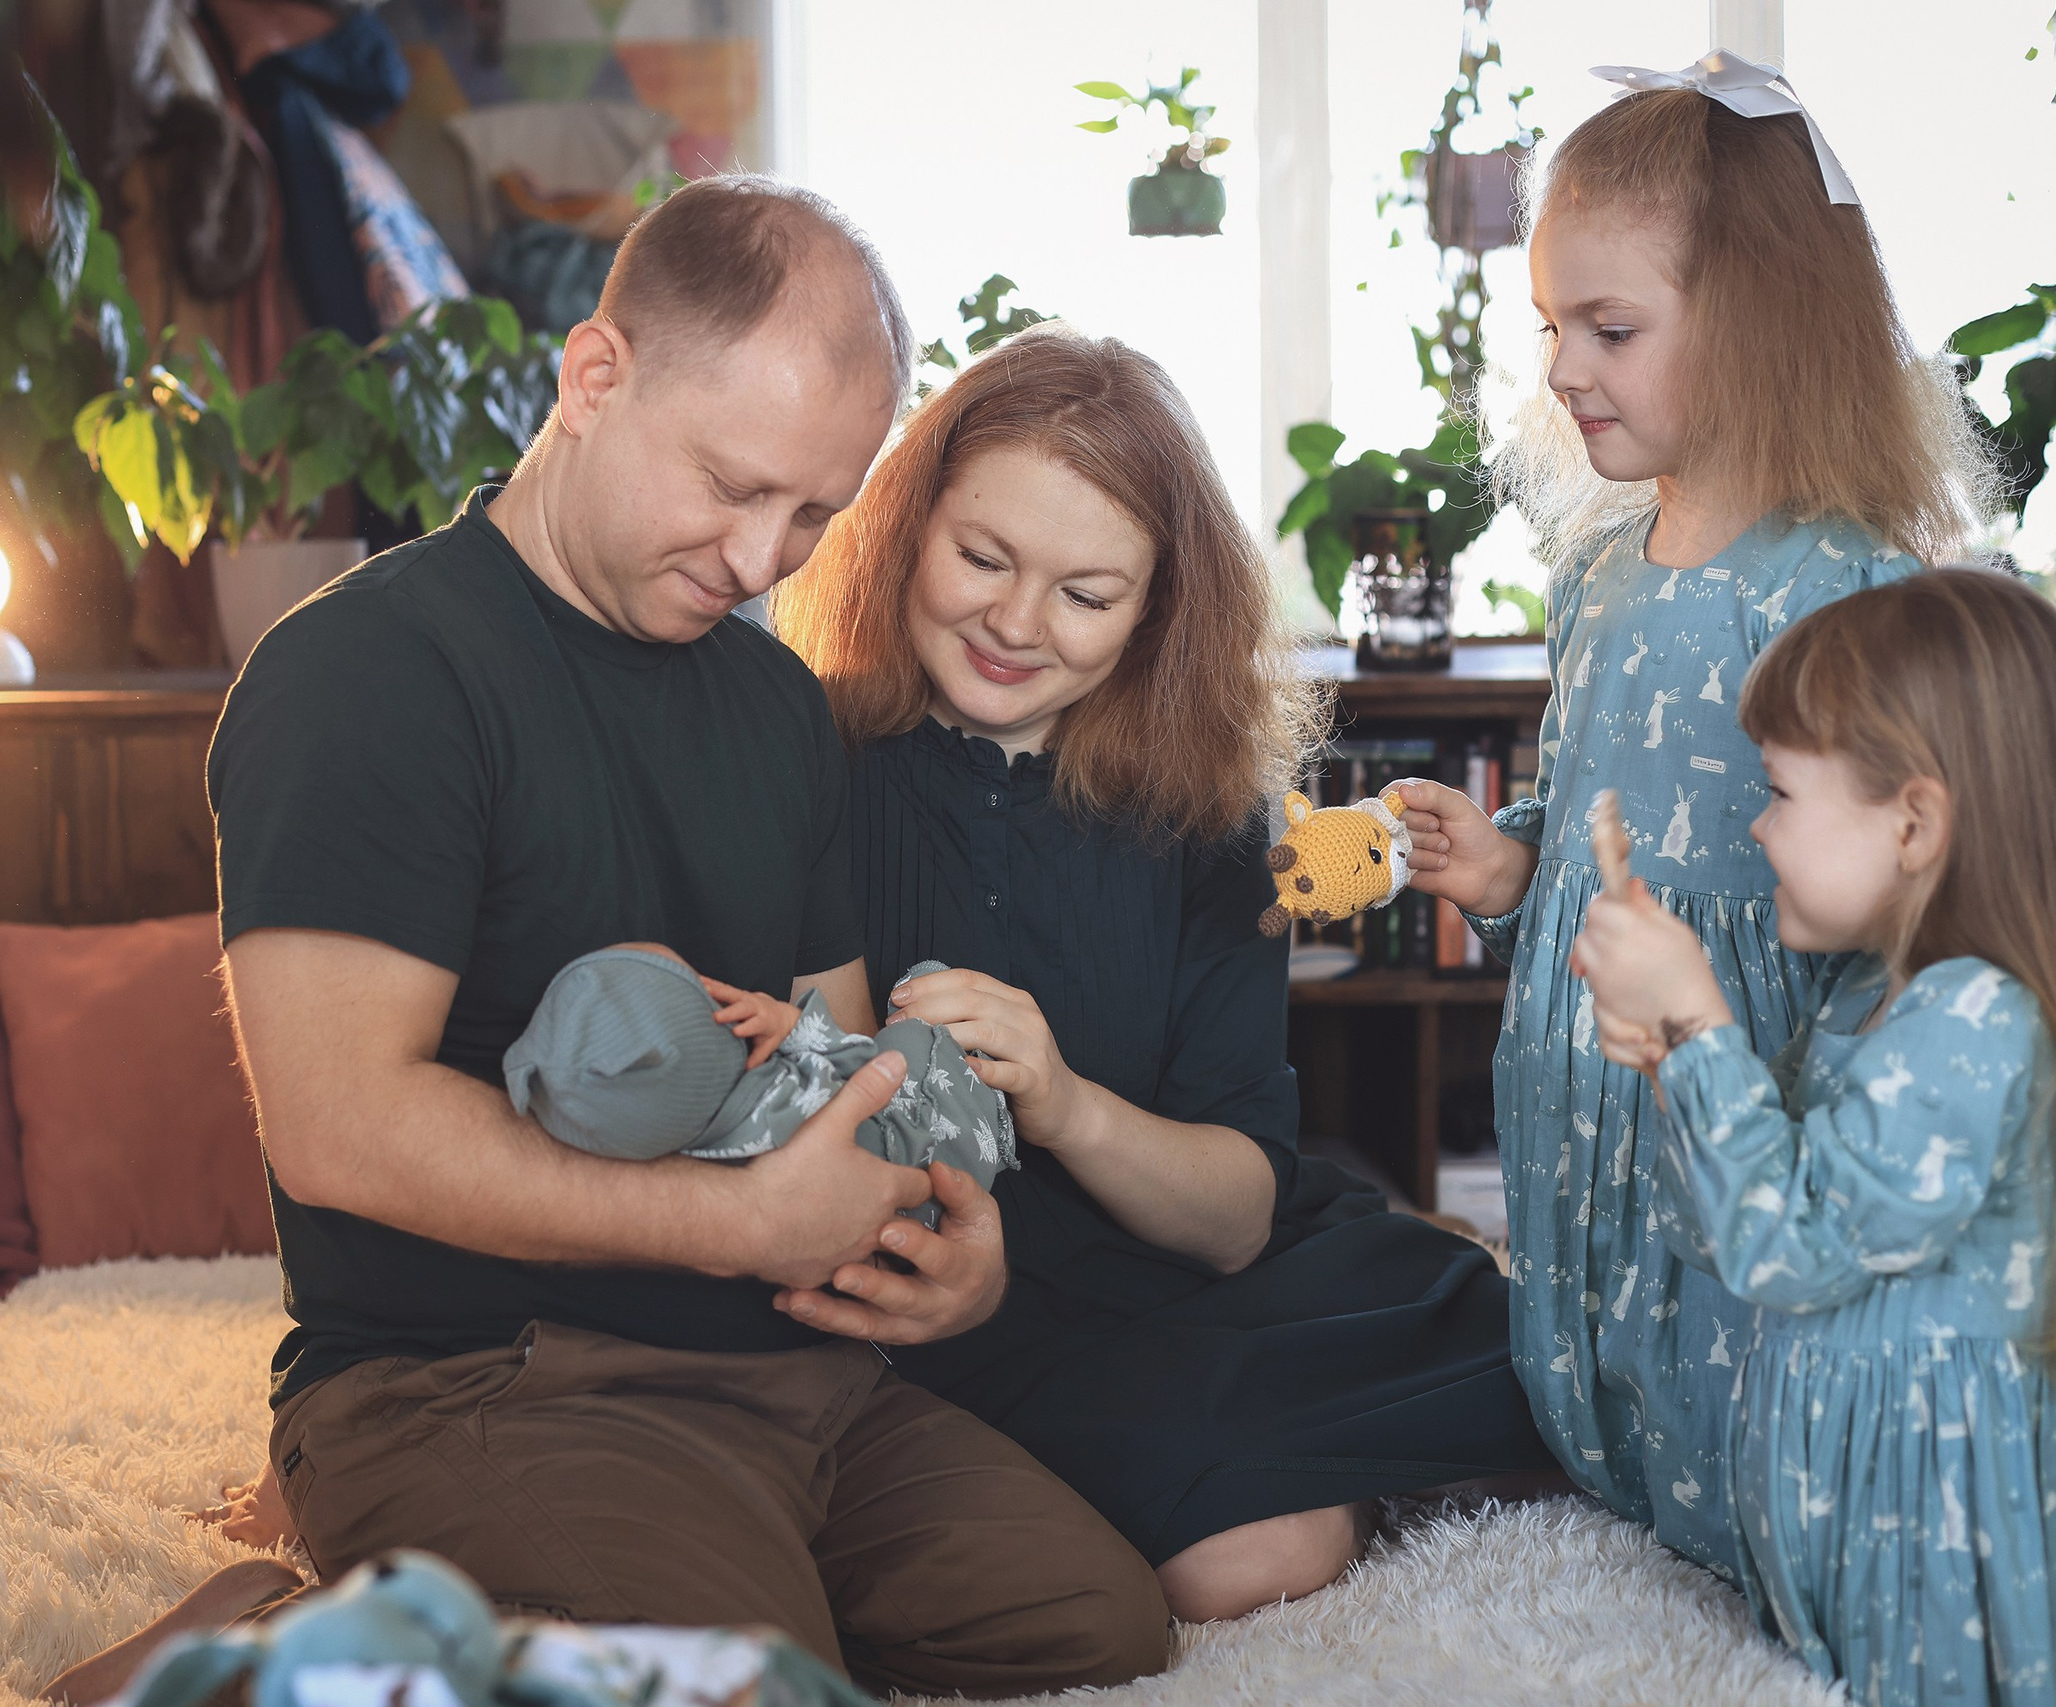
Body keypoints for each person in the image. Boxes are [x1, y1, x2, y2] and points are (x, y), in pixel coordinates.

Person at [195, 176, 1170, 1699]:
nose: (765, 554)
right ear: (596, 379)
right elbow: (338, 1125)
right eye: (731, 484)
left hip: (798, 1372)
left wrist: (937, 1243)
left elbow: (838, 1061)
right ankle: (287, 1636)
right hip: (480, 1379)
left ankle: (494, 1611)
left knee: (1097, 1627)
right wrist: (738, 1225)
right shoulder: (368, 672)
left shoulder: (775, 704)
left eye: (815, 513)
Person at [769, 324, 1557, 1625]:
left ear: (1156, 610)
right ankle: (1327, 1460)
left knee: (1549, 1363)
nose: (1017, 624)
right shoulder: (803, 758)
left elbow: (1239, 1214)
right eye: (981, 557)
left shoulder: (1201, 816)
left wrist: (1068, 1100)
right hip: (965, 1314)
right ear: (905, 523)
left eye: (1087, 594)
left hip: (1204, 1264)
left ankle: (1343, 1441)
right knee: (1240, 1560)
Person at [1390, 69, 1993, 1579]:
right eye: (1551, 329)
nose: (1565, 370)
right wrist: (1510, 861)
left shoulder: (1840, 586)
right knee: (1590, 1327)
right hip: (1578, 1063)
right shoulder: (1599, 563)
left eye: (1610, 328)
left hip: (1731, 1063)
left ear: (1760, 322)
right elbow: (1590, 795)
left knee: (1727, 1330)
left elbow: (1904, 894)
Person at [1572, 569, 2056, 1705]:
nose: (1753, 827)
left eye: (1777, 794)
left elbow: (1789, 1248)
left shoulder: (1979, 1019)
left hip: (1942, 1522)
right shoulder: (1869, 993)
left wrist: (1703, 1025)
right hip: (1870, 1507)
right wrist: (1675, 1060)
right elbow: (1731, 1225)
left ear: (1913, 822)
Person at [501, 943, 1014, 1217]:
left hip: (887, 1214)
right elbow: (860, 1071)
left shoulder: (697, 1149)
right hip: (925, 1147)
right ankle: (995, 1113)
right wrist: (793, 1026)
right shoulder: (779, 1099)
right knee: (915, 1009)